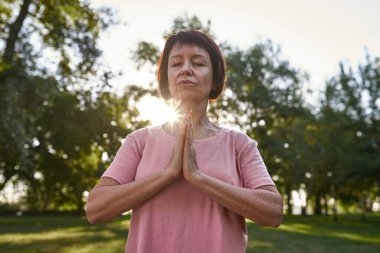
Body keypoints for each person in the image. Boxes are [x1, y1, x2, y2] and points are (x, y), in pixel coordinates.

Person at [85, 30, 283, 253]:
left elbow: (273, 212)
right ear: (166, 80)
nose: (186, 69)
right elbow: (95, 208)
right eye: (176, 63)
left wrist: (197, 176)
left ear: (215, 79)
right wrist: (167, 173)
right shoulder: (139, 141)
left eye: (198, 63)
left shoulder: (239, 144)